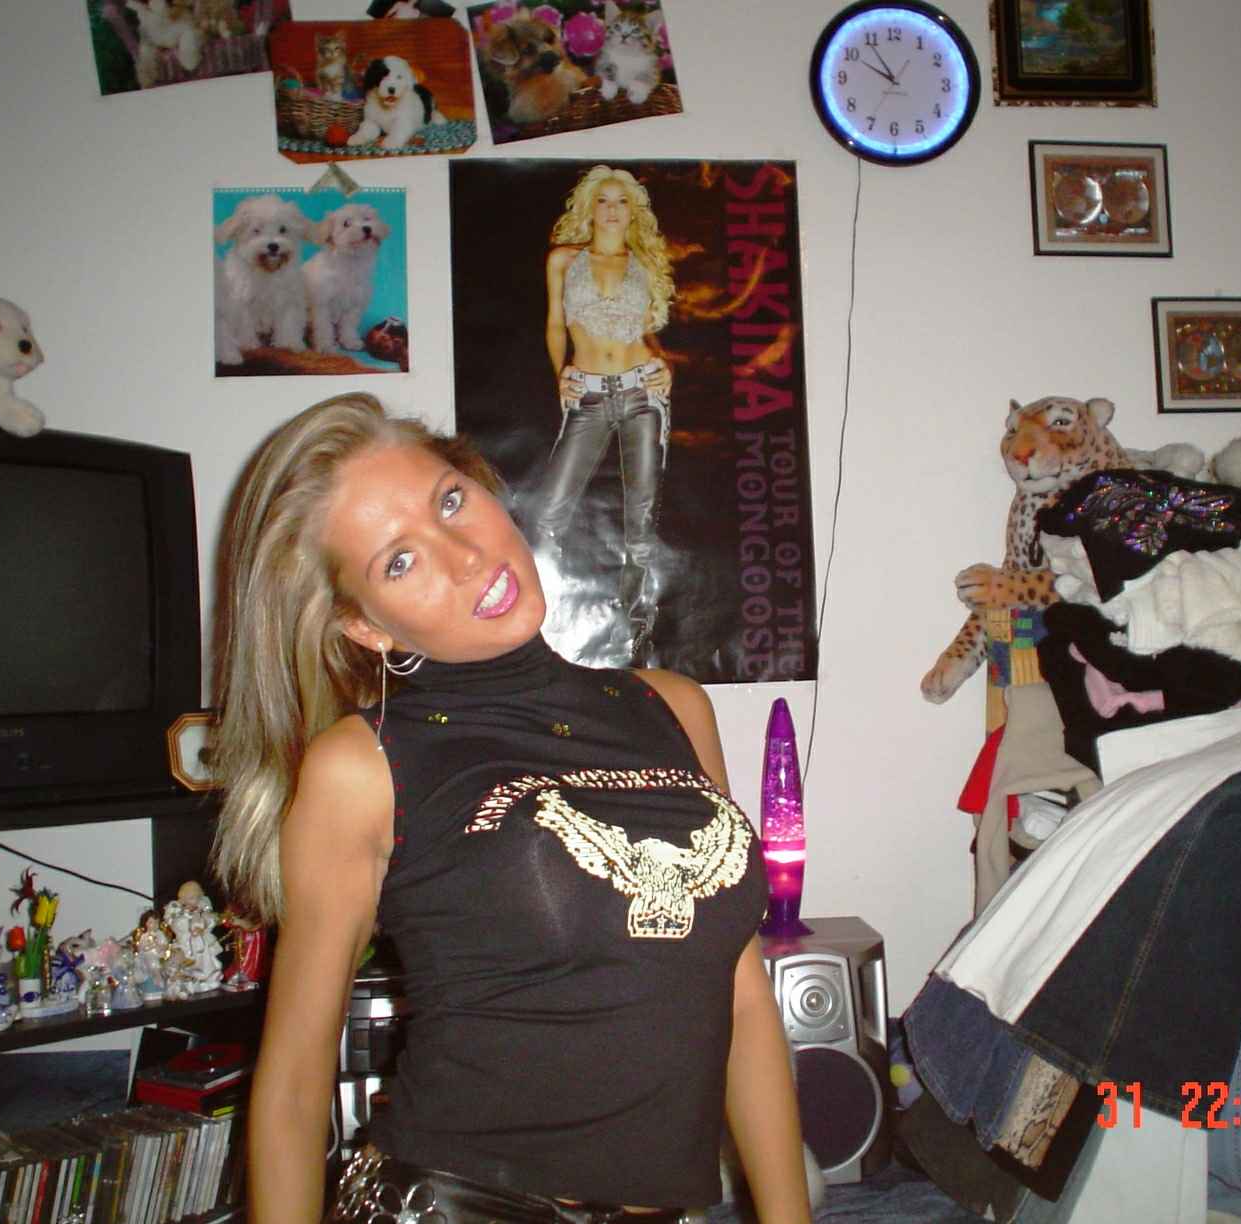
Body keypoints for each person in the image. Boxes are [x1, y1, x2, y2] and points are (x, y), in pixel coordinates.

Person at [209, 392, 810, 1223]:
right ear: (367, 628)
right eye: (399, 562)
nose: (464, 557)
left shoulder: (672, 707)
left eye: (450, 501)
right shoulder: (363, 765)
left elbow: (739, 995)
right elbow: (294, 1082)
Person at [526, 164, 677, 667]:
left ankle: (636, 634)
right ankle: (543, 623)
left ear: (633, 212)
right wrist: (559, 375)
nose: (611, 210)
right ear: (590, 207)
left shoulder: (644, 262)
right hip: (588, 394)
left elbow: (648, 332)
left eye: (621, 201)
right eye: (603, 200)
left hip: (642, 393)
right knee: (549, 510)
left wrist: (665, 365)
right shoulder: (563, 259)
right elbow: (554, 325)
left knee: (641, 518)